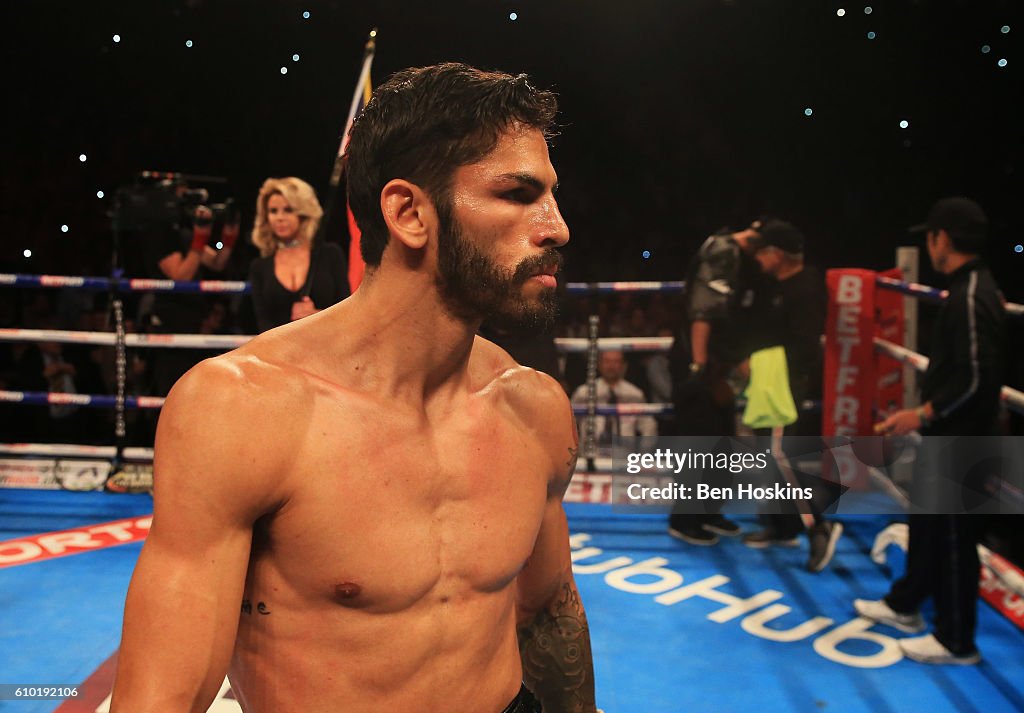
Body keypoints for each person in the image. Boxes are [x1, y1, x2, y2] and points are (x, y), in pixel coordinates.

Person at [112, 63, 597, 713]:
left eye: (551, 196)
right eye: (518, 193)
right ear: (408, 213)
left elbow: (548, 611)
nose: (557, 226)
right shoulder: (243, 411)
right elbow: (160, 698)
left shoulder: (534, 406)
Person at [854, 197, 1005, 664]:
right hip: (948, 430)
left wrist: (923, 413)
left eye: (931, 237)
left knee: (956, 538)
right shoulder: (966, 288)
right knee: (927, 522)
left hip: (964, 437)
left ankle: (957, 641)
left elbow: (979, 378)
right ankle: (906, 605)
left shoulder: (973, 293)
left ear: (942, 239)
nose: (929, 244)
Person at [740, 220, 843, 573]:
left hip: (784, 385)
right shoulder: (776, 285)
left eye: (763, 252)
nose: (759, 260)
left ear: (777, 255)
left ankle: (821, 524)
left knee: (781, 456)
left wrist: (760, 364)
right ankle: (781, 526)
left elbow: (804, 348)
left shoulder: (806, 289)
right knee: (768, 456)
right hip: (768, 384)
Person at [667, 221, 767, 545]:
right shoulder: (724, 252)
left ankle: (709, 512)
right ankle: (685, 520)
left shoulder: (730, 250)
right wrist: (699, 368)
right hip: (702, 364)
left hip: (718, 363)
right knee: (699, 443)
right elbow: (703, 312)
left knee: (722, 439)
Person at [142, 193, 240, 397]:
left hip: (195, 322)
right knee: (173, 391)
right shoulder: (158, 234)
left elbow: (217, 263)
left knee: (199, 392)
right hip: (171, 324)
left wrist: (229, 236)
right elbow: (181, 276)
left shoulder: (184, 235)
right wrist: (199, 237)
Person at [247, 177, 349, 333]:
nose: (279, 217)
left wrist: (316, 315)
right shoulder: (259, 266)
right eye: (273, 211)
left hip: (328, 348)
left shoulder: (331, 254)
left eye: (288, 210)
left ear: (303, 213)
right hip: (279, 353)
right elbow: (263, 324)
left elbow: (348, 315)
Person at [571, 349, 658, 444]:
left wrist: (643, 455)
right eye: (607, 361)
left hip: (624, 455)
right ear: (599, 364)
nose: (611, 366)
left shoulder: (634, 394)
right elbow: (569, 425)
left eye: (616, 361)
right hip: (591, 453)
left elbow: (649, 427)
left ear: (624, 366)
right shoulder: (583, 393)